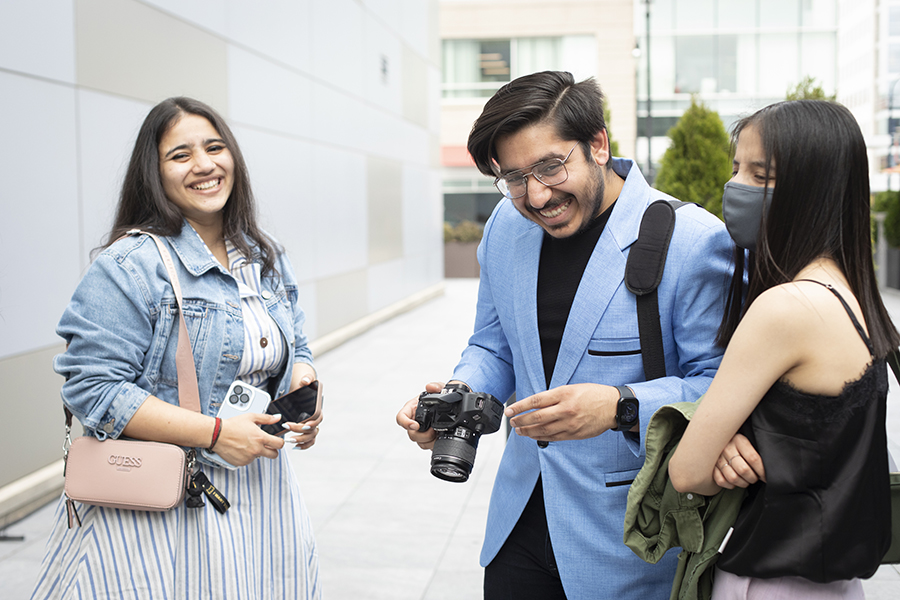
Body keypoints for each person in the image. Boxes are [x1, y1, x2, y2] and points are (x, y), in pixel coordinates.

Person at [396, 71, 734, 599]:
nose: (535, 196)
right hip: (519, 526)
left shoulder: (692, 240)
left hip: (629, 543)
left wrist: (619, 406)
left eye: (551, 167)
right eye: (512, 179)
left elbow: (721, 385)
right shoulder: (506, 230)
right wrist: (457, 397)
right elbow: (493, 345)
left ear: (598, 144)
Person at [31, 97, 322, 600]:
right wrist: (213, 433)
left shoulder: (264, 254)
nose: (205, 165)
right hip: (163, 501)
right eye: (180, 155)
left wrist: (302, 378)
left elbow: (295, 342)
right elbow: (93, 388)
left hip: (261, 491)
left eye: (214, 147)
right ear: (155, 172)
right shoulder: (129, 266)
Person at [669, 99, 896, 599]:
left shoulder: (786, 308)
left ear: (814, 188)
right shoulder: (849, 294)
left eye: (761, 173)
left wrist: (714, 449)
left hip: (770, 583)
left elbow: (688, 471)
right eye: (737, 168)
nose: (737, 186)